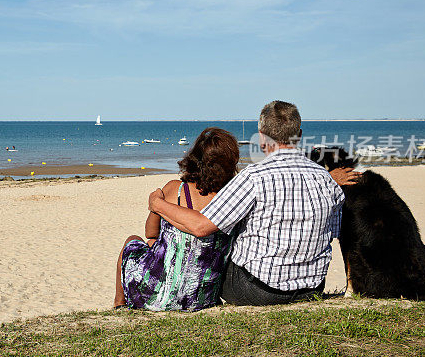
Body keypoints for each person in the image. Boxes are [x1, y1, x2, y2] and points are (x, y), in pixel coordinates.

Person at [149, 100, 357, 306]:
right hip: (312, 288)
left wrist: (157, 204)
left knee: (216, 252)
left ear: (261, 138)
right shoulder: (326, 179)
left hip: (259, 290)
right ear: (299, 135)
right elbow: (332, 232)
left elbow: (201, 226)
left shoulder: (254, 177)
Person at [113, 127, 239, 311]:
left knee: (133, 241)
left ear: (195, 159)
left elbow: (150, 232)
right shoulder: (233, 199)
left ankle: (119, 303)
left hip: (155, 297)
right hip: (201, 300)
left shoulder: (176, 190)